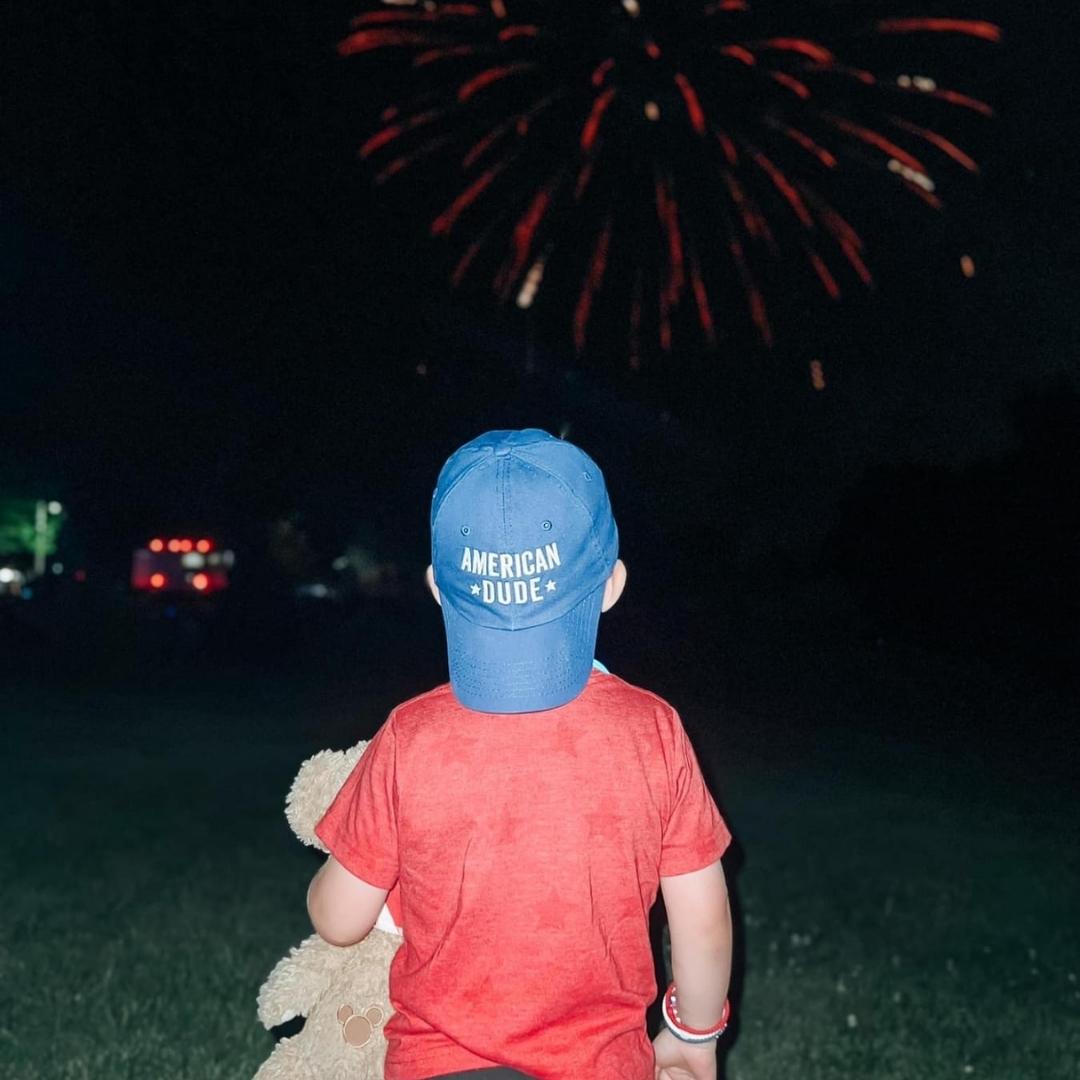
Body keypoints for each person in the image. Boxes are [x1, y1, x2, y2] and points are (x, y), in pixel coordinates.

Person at [308, 429, 733, 1080]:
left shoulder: (409, 736)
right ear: (611, 583)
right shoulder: (654, 731)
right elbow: (702, 921)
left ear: (438, 587)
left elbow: (339, 921)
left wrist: (350, 882)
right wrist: (693, 1035)